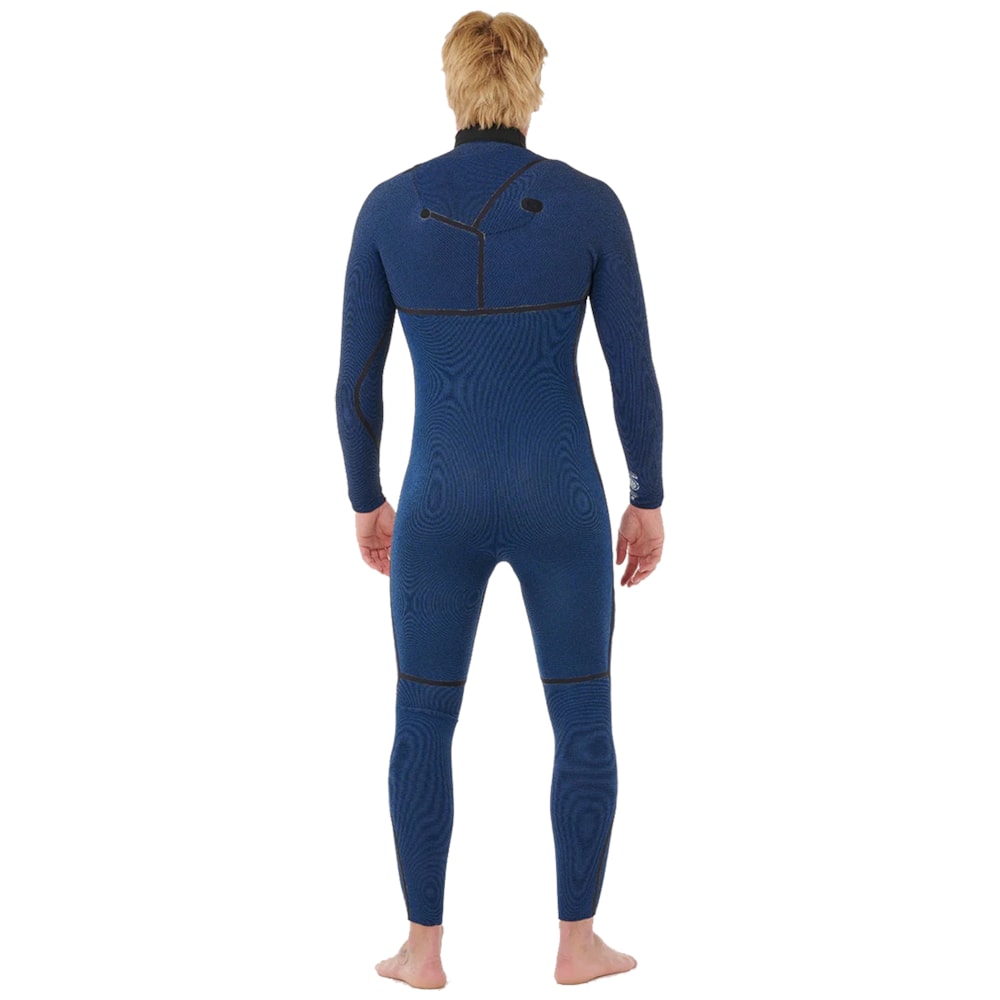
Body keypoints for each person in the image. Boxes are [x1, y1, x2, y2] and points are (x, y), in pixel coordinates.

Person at [336, 11, 664, 988]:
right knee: (584, 719)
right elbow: (633, 375)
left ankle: (422, 950)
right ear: (532, 87)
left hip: (438, 498)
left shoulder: (388, 210)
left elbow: (355, 387)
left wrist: (366, 497)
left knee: (421, 722)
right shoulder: (590, 206)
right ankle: (577, 945)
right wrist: (647, 494)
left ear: (453, 85)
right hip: (561, 495)